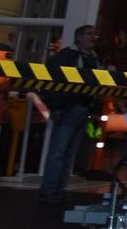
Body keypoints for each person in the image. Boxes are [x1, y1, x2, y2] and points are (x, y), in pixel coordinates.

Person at [37, 24, 102, 205]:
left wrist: (94, 109)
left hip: (83, 109)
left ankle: (59, 188)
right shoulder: (65, 56)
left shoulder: (94, 59)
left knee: (69, 153)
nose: (93, 37)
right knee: (58, 151)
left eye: (95, 34)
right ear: (78, 37)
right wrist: (55, 107)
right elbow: (49, 81)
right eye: (89, 33)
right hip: (67, 109)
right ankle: (49, 189)